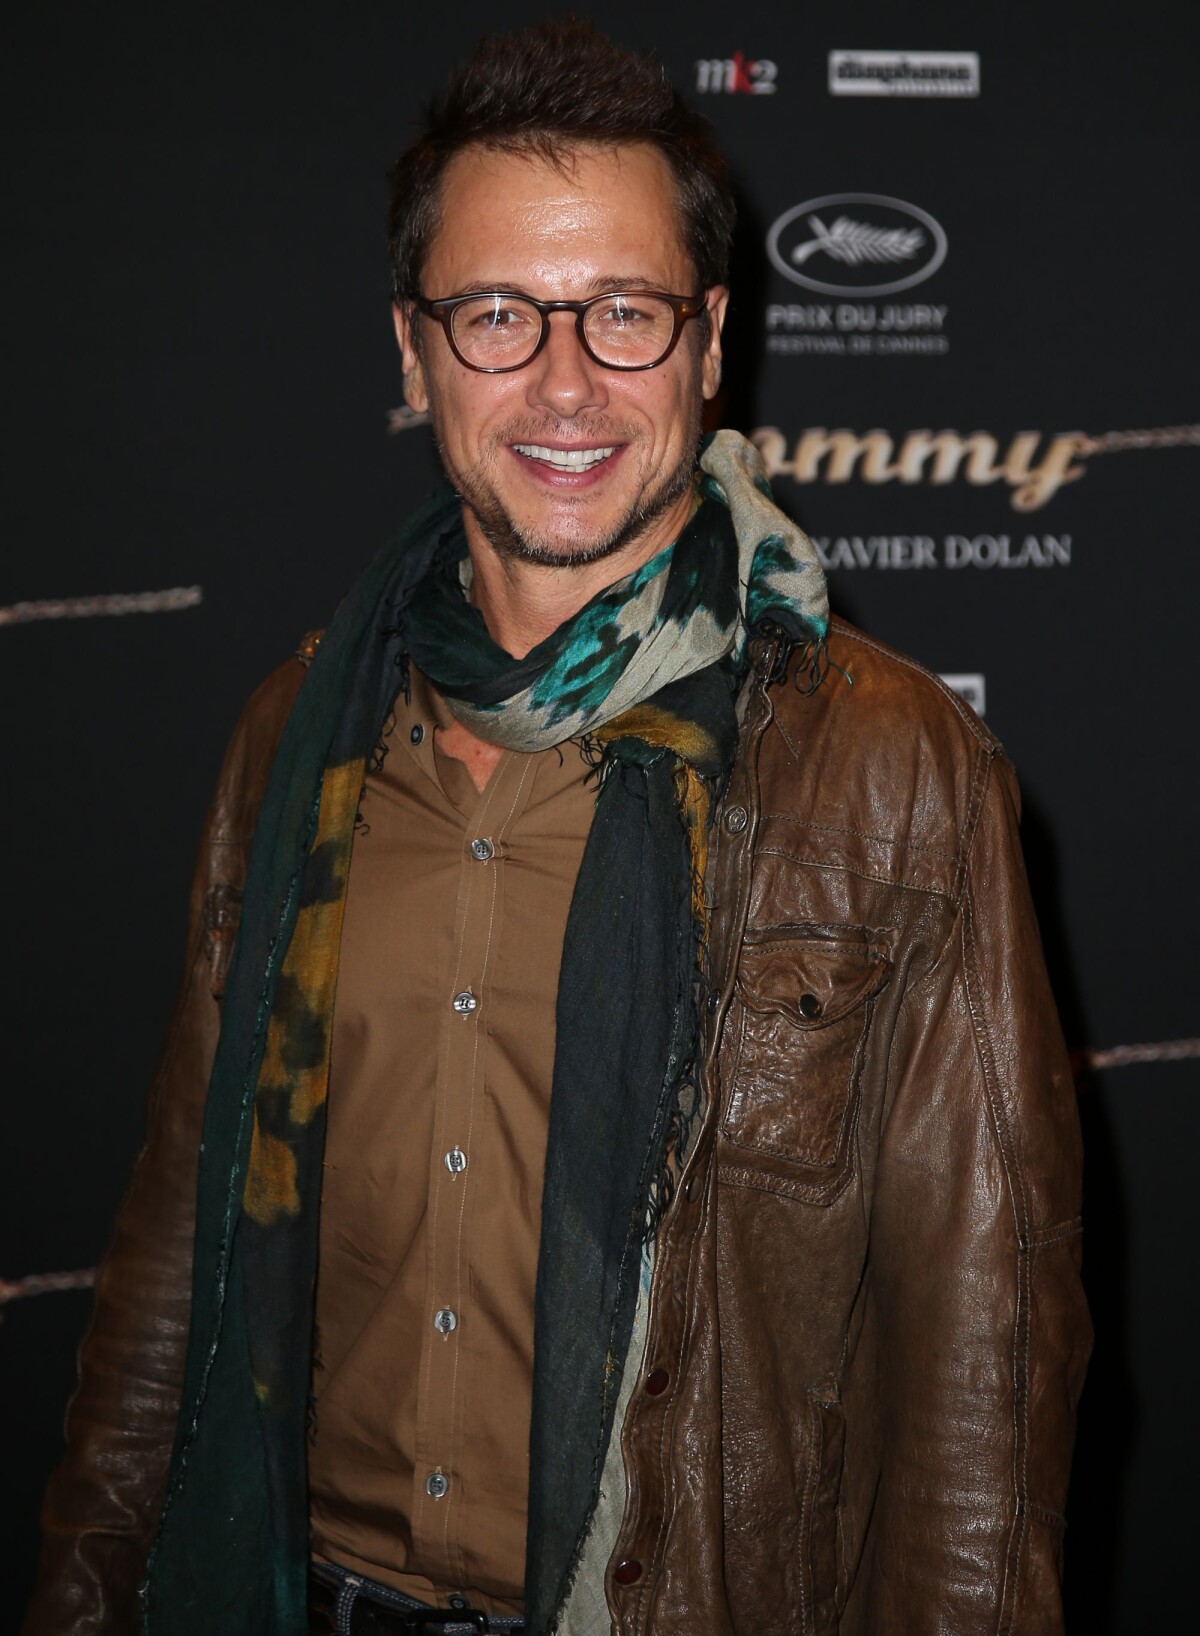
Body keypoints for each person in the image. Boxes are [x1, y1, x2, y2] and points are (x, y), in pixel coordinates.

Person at [24, 21, 1090, 1636]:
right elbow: (177, 1257)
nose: (568, 381)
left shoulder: (893, 773)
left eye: (626, 313)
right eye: (500, 315)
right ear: (414, 353)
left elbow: (982, 1378)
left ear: (709, 343)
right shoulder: (291, 742)